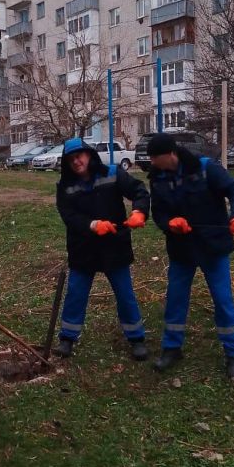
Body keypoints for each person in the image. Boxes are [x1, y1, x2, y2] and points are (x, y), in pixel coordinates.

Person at [147, 133, 234, 380]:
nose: (151, 162)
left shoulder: (205, 168)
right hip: (181, 249)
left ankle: (233, 353)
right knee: (175, 299)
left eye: (155, 157)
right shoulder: (158, 178)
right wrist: (170, 223)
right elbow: (159, 213)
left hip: (212, 248)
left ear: (170, 154)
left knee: (223, 300)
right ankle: (172, 348)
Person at [55, 137, 150, 360]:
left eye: (79, 156)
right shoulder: (65, 186)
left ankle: (136, 338)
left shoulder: (113, 173)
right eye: (71, 159)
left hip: (114, 246)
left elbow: (139, 191)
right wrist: (93, 225)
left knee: (125, 294)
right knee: (76, 294)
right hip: (83, 248)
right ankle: (67, 338)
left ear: (89, 155)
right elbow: (69, 216)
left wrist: (139, 212)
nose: (76, 162)